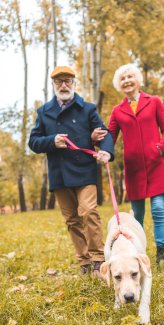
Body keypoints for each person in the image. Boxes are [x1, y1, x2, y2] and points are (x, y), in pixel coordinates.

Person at [28, 66, 114, 277]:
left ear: (74, 83)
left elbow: (105, 134)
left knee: (88, 212)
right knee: (72, 220)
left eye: (67, 81)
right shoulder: (44, 111)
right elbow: (33, 141)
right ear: (53, 85)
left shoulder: (87, 108)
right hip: (59, 174)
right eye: (59, 82)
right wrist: (52, 141)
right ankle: (84, 261)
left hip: (84, 170)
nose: (64, 85)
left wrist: (105, 151)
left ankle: (97, 259)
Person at [92, 63, 164, 265]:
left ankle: (161, 254)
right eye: (122, 79)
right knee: (137, 215)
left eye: (130, 76)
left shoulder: (154, 102)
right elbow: (110, 137)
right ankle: (138, 252)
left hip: (156, 165)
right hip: (134, 169)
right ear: (119, 85)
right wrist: (99, 145)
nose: (127, 81)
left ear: (138, 80)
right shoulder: (118, 111)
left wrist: (160, 148)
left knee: (158, 209)